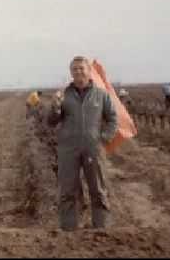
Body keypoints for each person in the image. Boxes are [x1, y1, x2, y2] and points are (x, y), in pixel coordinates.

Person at [47, 56, 118, 231]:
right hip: (68, 149)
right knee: (67, 191)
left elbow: (112, 119)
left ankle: (102, 229)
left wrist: (104, 138)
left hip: (93, 148)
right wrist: (55, 107)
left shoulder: (101, 95)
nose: (78, 71)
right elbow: (51, 122)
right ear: (71, 73)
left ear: (88, 71)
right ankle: (69, 230)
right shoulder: (63, 95)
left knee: (98, 189)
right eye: (74, 69)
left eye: (81, 68)